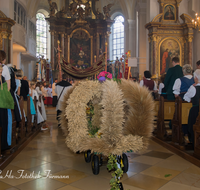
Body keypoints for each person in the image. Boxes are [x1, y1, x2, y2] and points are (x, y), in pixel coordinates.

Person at [183, 70, 200, 146]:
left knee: (192, 126)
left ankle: (195, 144)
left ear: (196, 78)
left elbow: (185, 97)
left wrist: (191, 100)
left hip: (196, 111)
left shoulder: (193, 88)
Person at [0, 50, 11, 154]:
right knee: (3, 122)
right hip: (1, 101)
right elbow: (8, 87)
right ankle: (3, 145)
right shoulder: (5, 68)